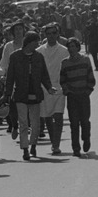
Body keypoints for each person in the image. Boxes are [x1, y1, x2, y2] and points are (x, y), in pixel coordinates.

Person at [3, 31, 56, 160]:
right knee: (23, 123)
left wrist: (49, 87)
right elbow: (10, 77)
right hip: (21, 94)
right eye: (35, 42)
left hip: (35, 94)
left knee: (36, 123)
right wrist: (7, 94)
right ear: (29, 43)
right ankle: (25, 149)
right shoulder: (15, 57)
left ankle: (33, 145)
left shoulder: (39, 57)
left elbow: (44, 75)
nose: (37, 44)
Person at [59, 37, 96, 157]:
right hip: (72, 96)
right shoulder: (65, 63)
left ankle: (86, 138)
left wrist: (87, 91)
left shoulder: (85, 60)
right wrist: (67, 91)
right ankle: (76, 148)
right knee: (73, 122)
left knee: (84, 120)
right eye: (69, 47)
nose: (71, 49)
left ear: (78, 47)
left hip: (83, 95)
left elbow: (91, 78)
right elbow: (62, 80)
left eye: (73, 46)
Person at [37, 24, 69, 155]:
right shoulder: (39, 51)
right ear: (45, 35)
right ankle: (53, 140)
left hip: (60, 88)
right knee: (48, 117)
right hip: (44, 89)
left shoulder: (64, 51)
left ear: (58, 34)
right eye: (48, 33)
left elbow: (67, 70)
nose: (51, 36)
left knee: (58, 115)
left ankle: (56, 144)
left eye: (54, 33)